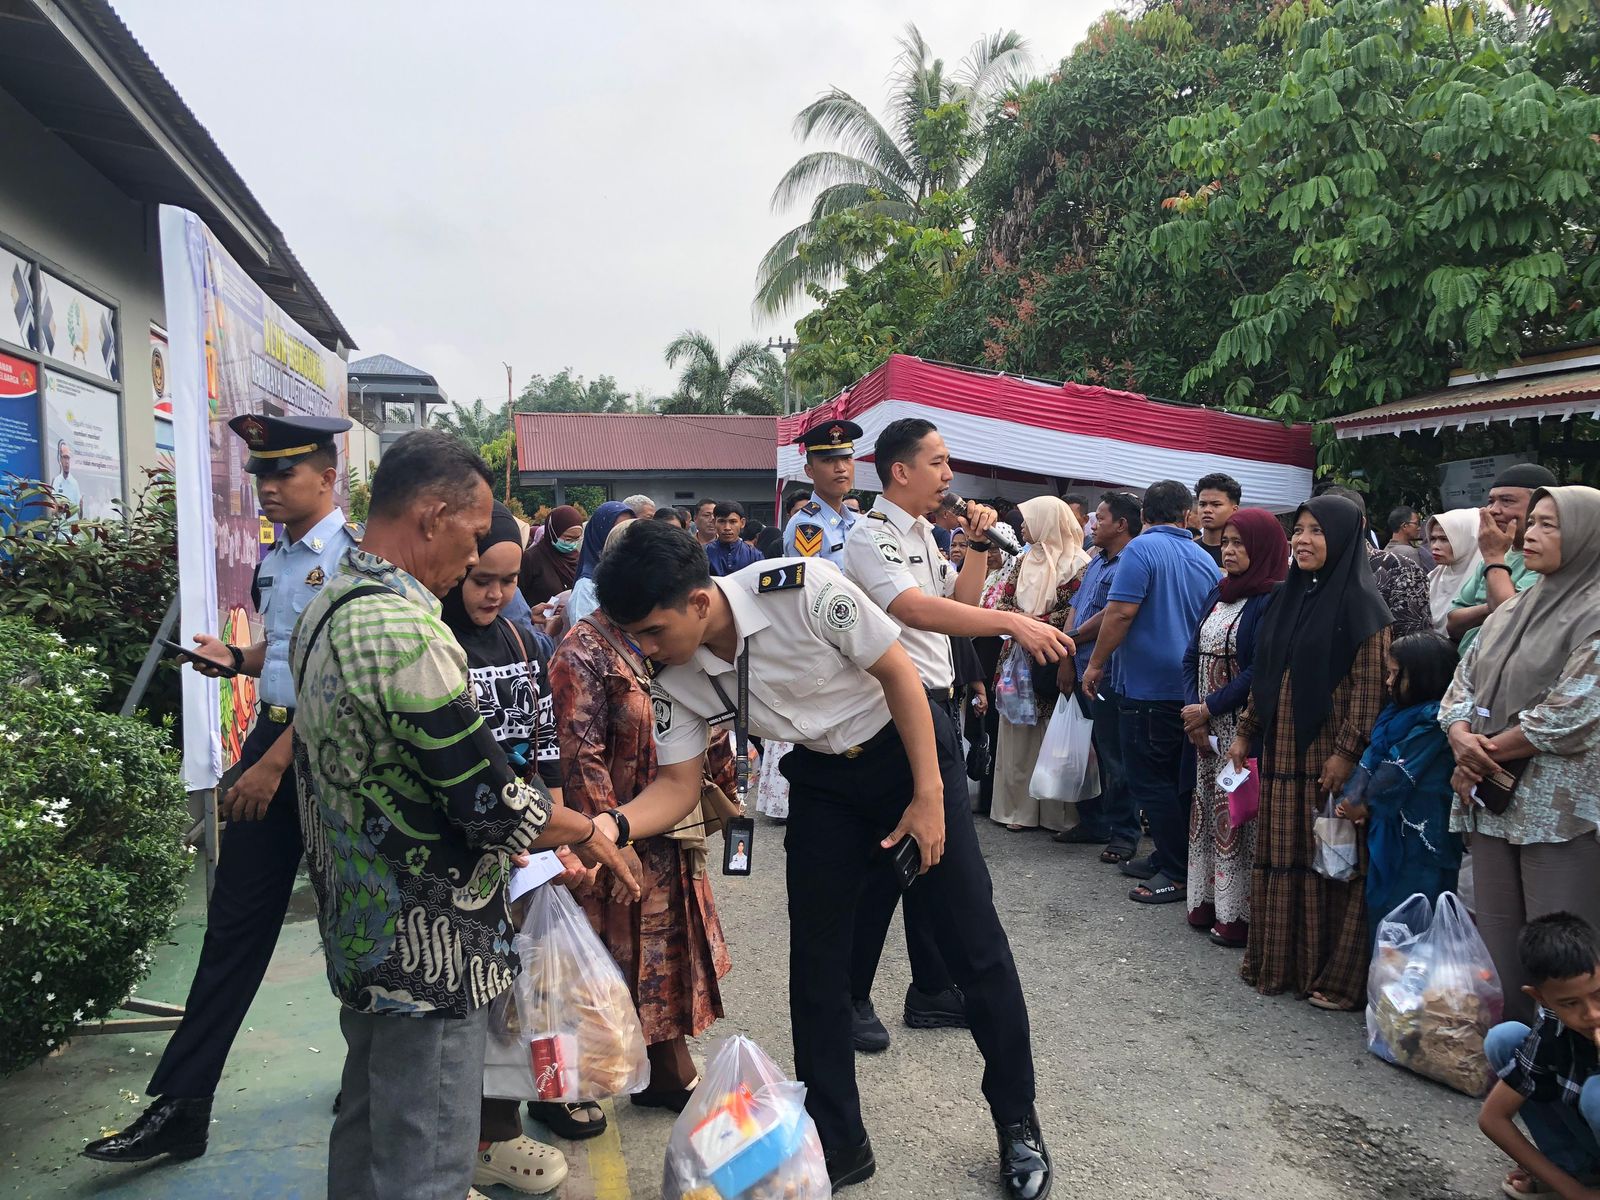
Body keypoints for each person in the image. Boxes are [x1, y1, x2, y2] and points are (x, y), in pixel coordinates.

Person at [595, 522, 1053, 1200]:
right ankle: (838, 1143)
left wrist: (929, 799)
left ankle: (1017, 1120)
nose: (644, 649)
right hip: (824, 782)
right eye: (633, 635)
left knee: (971, 944)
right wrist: (615, 824)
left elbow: (900, 674)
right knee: (817, 968)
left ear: (697, 602)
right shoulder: (673, 676)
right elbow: (679, 785)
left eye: (653, 632)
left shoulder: (801, 590)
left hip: (907, 751)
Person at [287, 430, 636, 1200]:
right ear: (434, 515)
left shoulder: (327, 606)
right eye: (475, 537)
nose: (485, 569)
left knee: (369, 1124)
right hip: (428, 948)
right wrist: (592, 830)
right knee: (429, 1157)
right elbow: (489, 800)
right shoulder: (406, 631)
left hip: (360, 930)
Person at [83, 413, 358, 1167]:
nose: (268, 488)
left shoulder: (353, 561)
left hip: (330, 753)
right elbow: (288, 646)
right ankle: (183, 1107)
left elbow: (344, 675)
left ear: (328, 477)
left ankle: (365, 1077)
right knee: (233, 929)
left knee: (354, 923)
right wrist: (237, 656)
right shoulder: (279, 561)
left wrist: (273, 765)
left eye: (284, 473)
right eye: (260, 475)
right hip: (272, 740)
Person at [842, 419, 1073, 1045]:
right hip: (893, 714)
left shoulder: (923, 533)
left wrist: (975, 549)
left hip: (937, 707)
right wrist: (1012, 623)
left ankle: (932, 988)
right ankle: (851, 996)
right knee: (888, 859)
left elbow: (955, 613)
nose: (950, 478)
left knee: (932, 854)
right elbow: (911, 610)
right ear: (901, 471)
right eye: (939, 463)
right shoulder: (872, 536)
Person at [549, 564, 735, 1123]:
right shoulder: (582, 650)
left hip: (665, 825)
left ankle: (665, 1068)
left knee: (664, 952)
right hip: (613, 832)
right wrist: (605, 835)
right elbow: (578, 753)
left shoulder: (667, 634)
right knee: (599, 956)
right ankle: (573, 1083)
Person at [438, 502, 572, 1195]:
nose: (494, 594)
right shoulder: (432, 645)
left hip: (524, 852)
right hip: (458, 854)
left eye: (508, 580)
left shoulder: (527, 646)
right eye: (481, 579)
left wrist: (557, 828)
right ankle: (451, 1144)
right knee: (458, 1006)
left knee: (516, 1002)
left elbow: (545, 749)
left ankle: (496, 1132)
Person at [1442, 484, 1600, 1024]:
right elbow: (1463, 679)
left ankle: (1564, 1065)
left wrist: (1479, 751)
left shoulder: (1594, 612)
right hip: (1491, 797)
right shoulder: (1516, 608)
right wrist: (1461, 736)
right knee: (1498, 932)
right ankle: (1508, 1053)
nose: (1529, 533)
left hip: (1555, 810)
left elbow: (1574, 711)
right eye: (1531, 523)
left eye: (1549, 525)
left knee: (1559, 939)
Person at [1227, 494, 1391, 1011]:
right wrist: (1246, 731)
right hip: (1282, 753)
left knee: (1331, 862)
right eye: (1298, 530)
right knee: (1281, 855)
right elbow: (1267, 676)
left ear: (1342, 538)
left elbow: (1369, 691)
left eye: (1317, 531)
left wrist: (1346, 752)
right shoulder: (1286, 597)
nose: (1303, 540)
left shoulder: (1364, 606)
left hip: (1327, 758)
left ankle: (1332, 975)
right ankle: (1278, 965)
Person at [1081, 480, 1220, 905]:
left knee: (1148, 780)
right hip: (1185, 683)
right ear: (1187, 515)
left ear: (1144, 516)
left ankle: (1177, 872)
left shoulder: (1141, 549)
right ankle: (1169, 856)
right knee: (1171, 781)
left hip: (1146, 685)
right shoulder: (1202, 557)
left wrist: (1096, 662)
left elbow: (1120, 612)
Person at [1180, 509, 1287, 947]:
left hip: (1241, 723)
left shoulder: (1270, 599)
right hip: (1203, 724)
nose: (1229, 550)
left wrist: (1209, 707)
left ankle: (1236, 915)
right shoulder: (1217, 593)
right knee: (1206, 811)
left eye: (1240, 543)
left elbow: (1260, 670)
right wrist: (1193, 711)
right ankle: (1204, 902)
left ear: (1262, 548)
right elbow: (1191, 656)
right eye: (1225, 542)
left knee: (1238, 814)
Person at [1334, 631, 1462, 943]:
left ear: (1422, 677)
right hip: (1390, 825)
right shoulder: (1395, 713)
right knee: (1386, 906)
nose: (1388, 682)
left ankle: (1412, 988)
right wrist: (1353, 798)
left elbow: (1397, 769)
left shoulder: (1436, 719)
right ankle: (1385, 985)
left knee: (1415, 906)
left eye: (1394, 674)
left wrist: (1363, 803)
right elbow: (1372, 756)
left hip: (1422, 834)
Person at [982, 496, 1090, 832]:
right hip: (1016, 658)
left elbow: (1072, 611)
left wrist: (1033, 625)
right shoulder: (1022, 560)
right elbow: (1003, 601)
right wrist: (1021, 623)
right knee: (1018, 733)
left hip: (1054, 658)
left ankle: (1058, 814)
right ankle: (1018, 811)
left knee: (1053, 734)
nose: (1023, 527)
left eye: (1028, 520)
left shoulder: (1079, 564)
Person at [1479, 913, 1600, 1200]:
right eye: (1570, 1003)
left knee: (1596, 1094)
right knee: (1504, 1039)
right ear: (1541, 999)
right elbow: (1493, 1117)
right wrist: (1575, 1192)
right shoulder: (1552, 1026)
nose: (1592, 1013)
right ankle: (1577, 1171)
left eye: (1599, 995)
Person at [1059, 491, 1144, 860]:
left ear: (1122, 525)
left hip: (1107, 673)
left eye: (1101, 519)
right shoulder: (1096, 561)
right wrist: (1065, 652)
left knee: (1114, 757)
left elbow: (1110, 617)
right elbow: (1076, 609)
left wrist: (1070, 640)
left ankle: (1124, 834)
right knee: (1087, 752)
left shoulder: (1132, 563)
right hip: (1080, 667)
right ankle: (1094, 822)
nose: (1093, 525)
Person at [1447, 462, 1559, 652]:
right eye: (1491, 501)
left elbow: (1510, 619)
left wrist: (1494, 558)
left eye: (1507, 501)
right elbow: (1453, 623)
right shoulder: (1495, 556)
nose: (1493, 510)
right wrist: (1488, 608)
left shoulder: (1552, 559)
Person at [785, 421, 863, 563]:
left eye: (846, 458)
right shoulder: (805, 526)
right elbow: (812, 583)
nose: (841, 468)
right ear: (809, 471)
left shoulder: (859, 522)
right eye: (828, 460)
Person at [566, 500, 633, 625]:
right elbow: (584, 639)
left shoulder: (629, 575)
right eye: (616, 530)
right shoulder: (587, 587)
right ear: (600, 534)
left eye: (629, 530)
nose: (625, 537)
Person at [1425, 508, 1482, 635]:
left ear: (1467, 539)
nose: (1435, 546)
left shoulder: (1485, 577)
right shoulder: (1432, 578)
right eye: (1433, 539)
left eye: (1444, 539)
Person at [518, 504, 582, 613]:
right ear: (553, 533)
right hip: (538, 625)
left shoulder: (578, 558)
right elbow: (517, 598)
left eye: (576, 539)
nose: (572, 544)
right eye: (568, 539)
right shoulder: (531, 558)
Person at [1193, 473, 1241, 568]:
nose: (1207, 510)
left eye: (1216, 505)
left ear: (1234, 510)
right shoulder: (1188, 550)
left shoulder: (1242, 553)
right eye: (1202, 504)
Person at [707, 500, 762, 576]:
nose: (727, 527)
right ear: (714, 523)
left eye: (733, 522)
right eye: (721, 521)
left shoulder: (755, 555)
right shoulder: (703, 554)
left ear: (742, 523)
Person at [1384, 505, 1434, 572]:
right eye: (1416, 523)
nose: (1419, 528)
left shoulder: (1385, 550)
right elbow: (1417, 580)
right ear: (1404, 526)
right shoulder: (1409, 552)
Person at [49, 438, 81, 514]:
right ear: (60, 459)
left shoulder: (74, 483)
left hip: (72, 524)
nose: (66, 462)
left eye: (68, 458)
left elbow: (78, 510)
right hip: (61, 524)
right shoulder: (56, 481)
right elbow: (53, 509)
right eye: (64, 457)